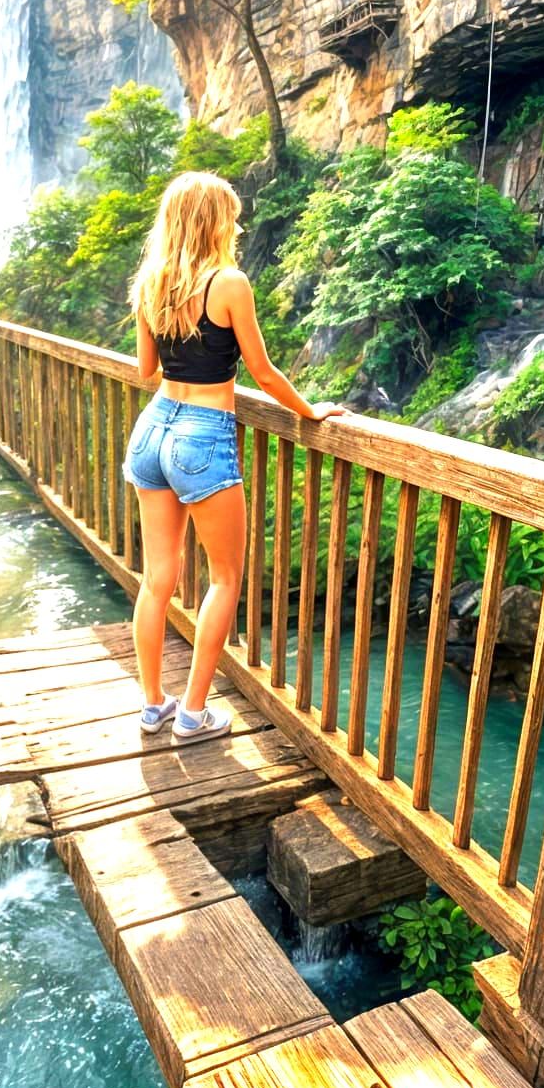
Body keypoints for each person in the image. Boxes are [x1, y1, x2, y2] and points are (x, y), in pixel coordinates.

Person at [123, 170, 346, 743]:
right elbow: (264, 372)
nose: (237, 224)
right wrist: (311, 412)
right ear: (213, 221)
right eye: (230, 215)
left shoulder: (151, 282)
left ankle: (153, 707)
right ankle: (193, 715)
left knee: (157, 580)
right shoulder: (229, 283)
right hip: (202, 433)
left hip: (153, 429)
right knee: (224, 576)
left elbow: (146, 370)